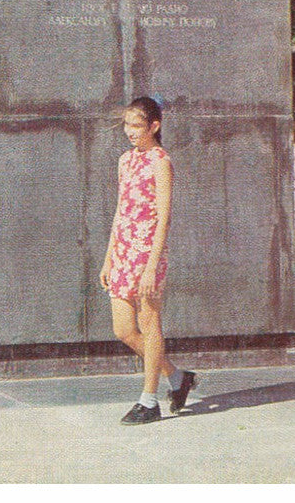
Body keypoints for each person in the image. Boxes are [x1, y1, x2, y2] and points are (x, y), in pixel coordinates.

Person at [100, 96, 196, 424]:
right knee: (123, 330)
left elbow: (164, 216)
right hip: (124, 250)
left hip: (147, 252)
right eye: (127, 125)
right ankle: (179, 378)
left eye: (137, 126)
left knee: (149, 323)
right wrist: (109, 256)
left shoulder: (160, 161)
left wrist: (152, 264)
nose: (130, 131)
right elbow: (120, 210)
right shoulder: (125, 160)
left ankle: (149, 399)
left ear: (154, 126)